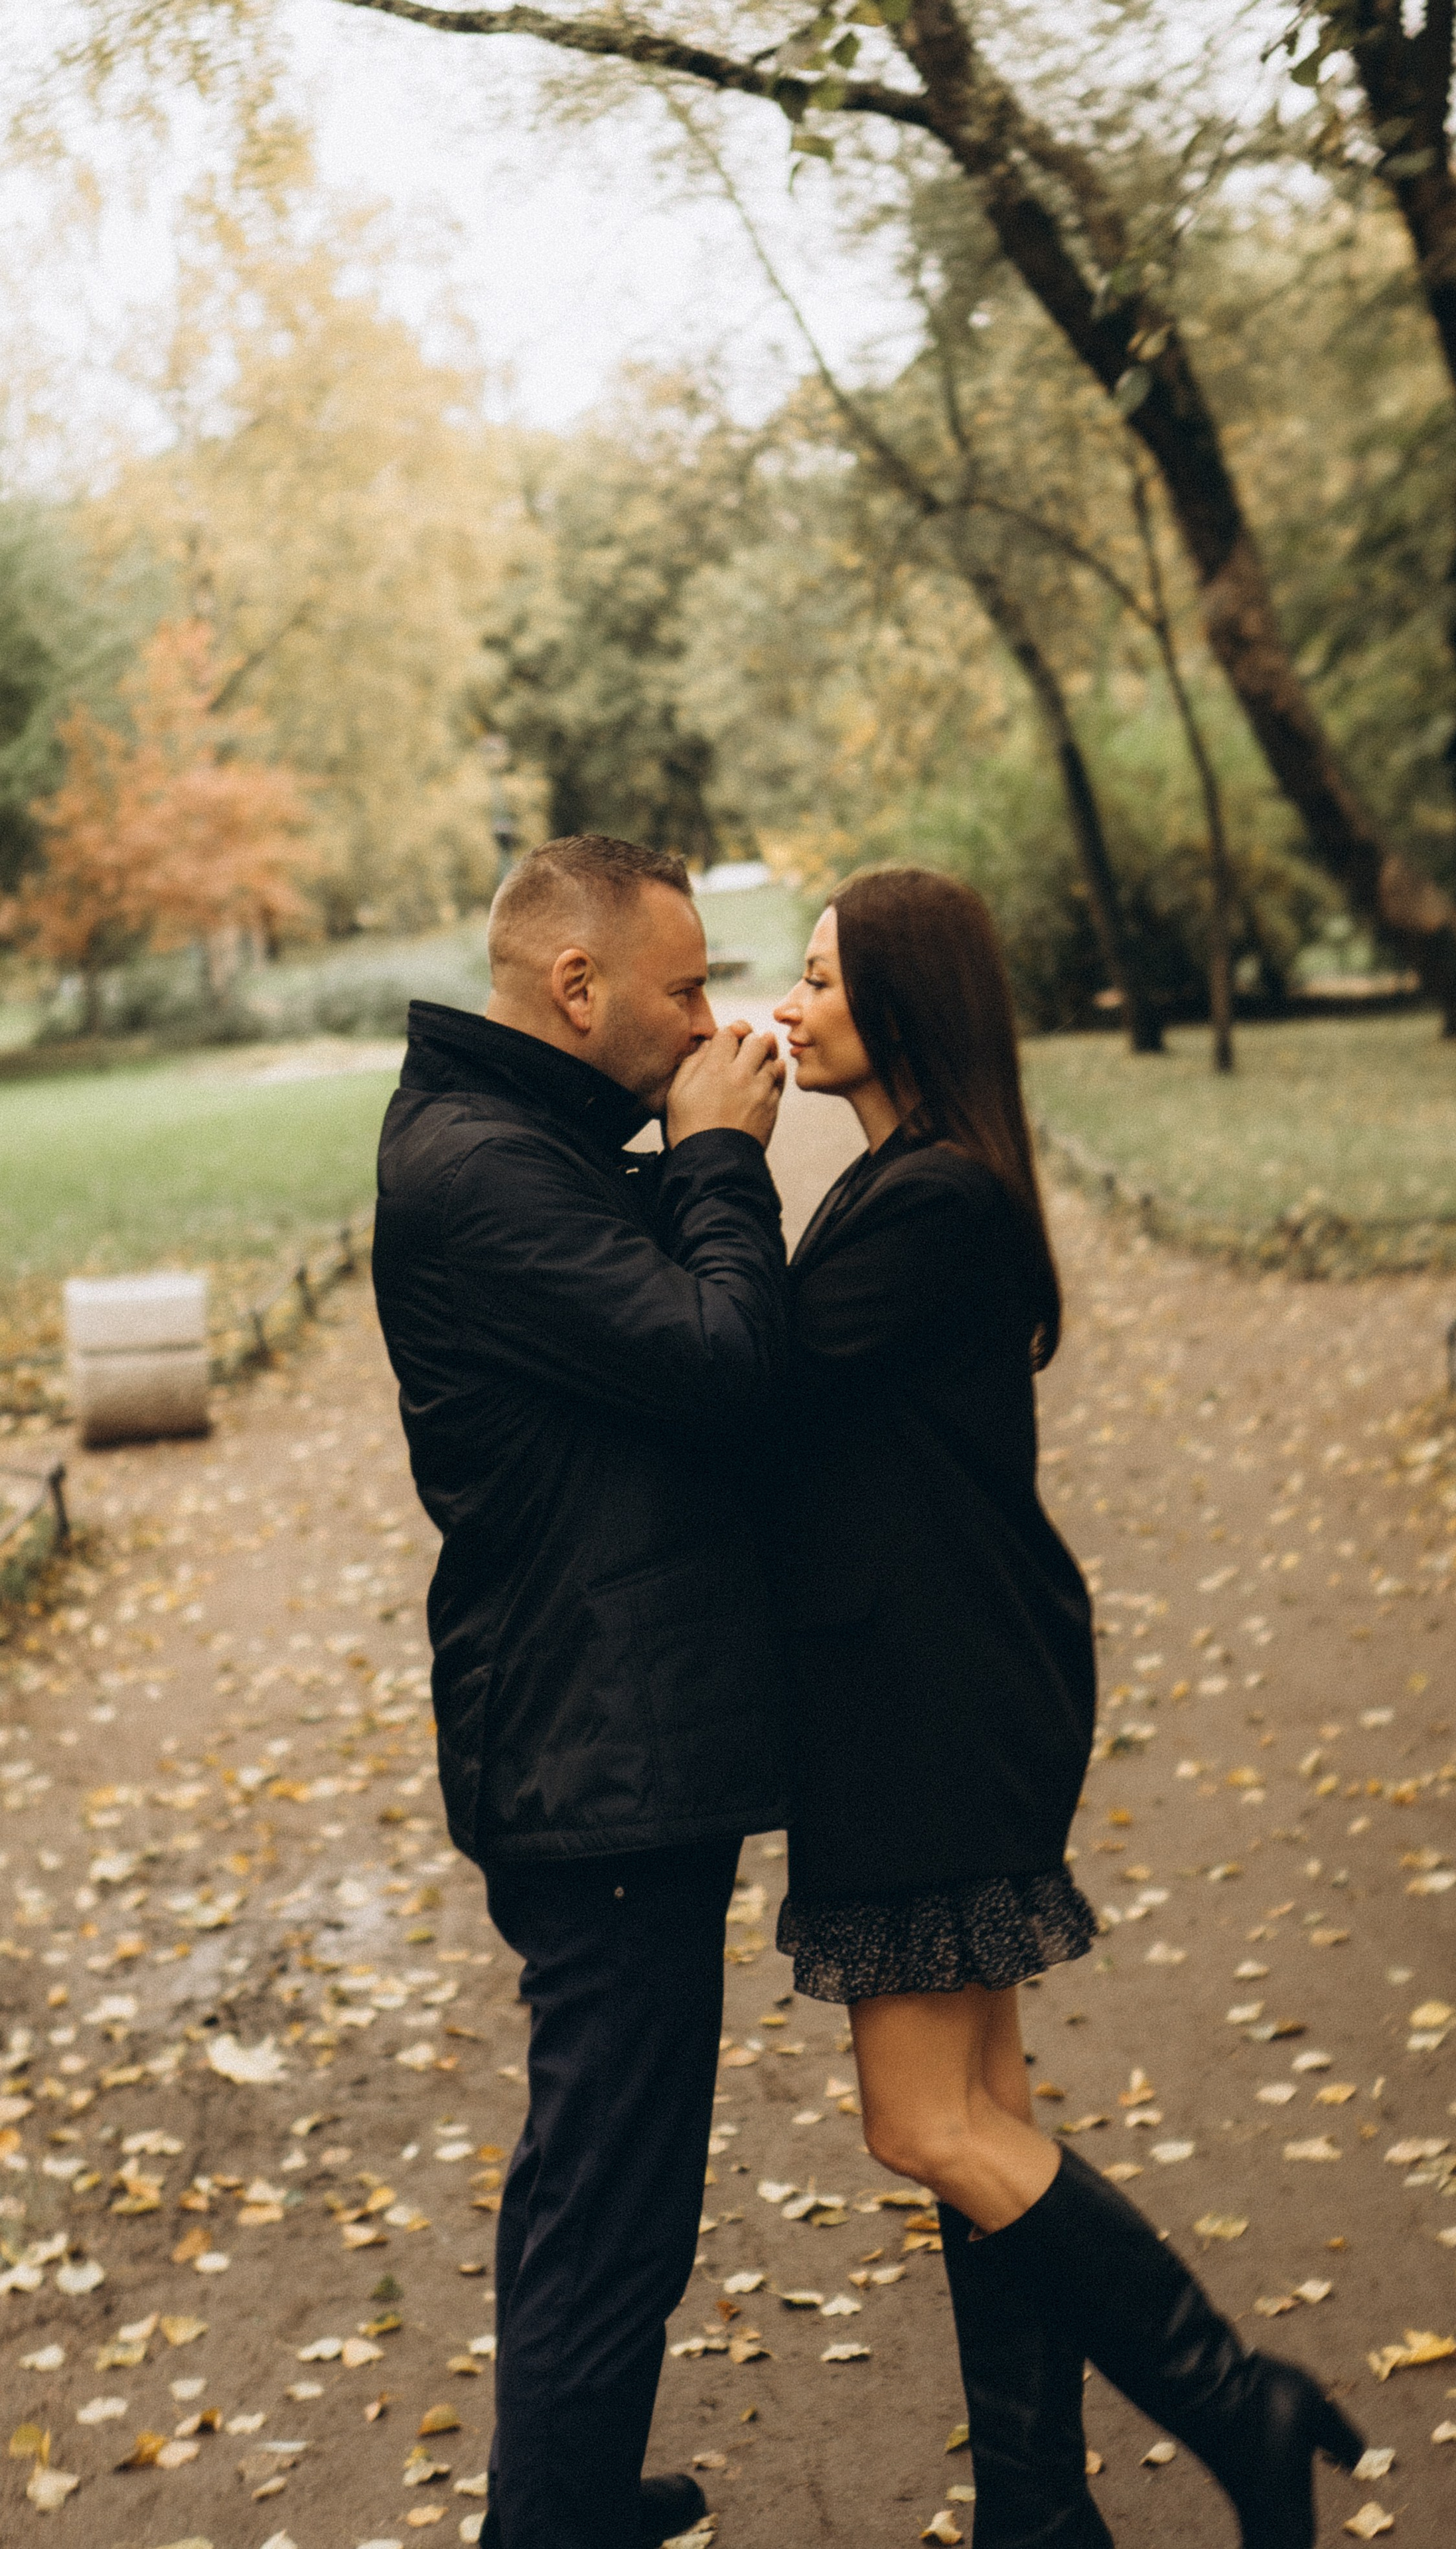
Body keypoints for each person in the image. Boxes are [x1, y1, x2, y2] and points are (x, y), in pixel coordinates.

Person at [770, 868, 1363, 2549]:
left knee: (919, 2125)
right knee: (988, 2118)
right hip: (948, 1680)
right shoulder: (909, 1178)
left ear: (901, 1004)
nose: (790, 1005)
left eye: (818, 980)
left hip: (927, 1702)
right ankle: (1036, 2507)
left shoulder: (934, 1202)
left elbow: (767, 1371)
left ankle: (1233, 2399)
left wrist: (720, 1164)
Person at [372, 833, 788, 2549]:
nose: (713, 1017)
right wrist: (719, 1160)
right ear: (579, 988)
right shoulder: (488, 1172)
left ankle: (574, 2493)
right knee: (612, 2199)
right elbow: (722, 1361)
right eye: (687, 989)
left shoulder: (515, 1138)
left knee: (597, 2178)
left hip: (593, 1732)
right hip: (592, 1750)